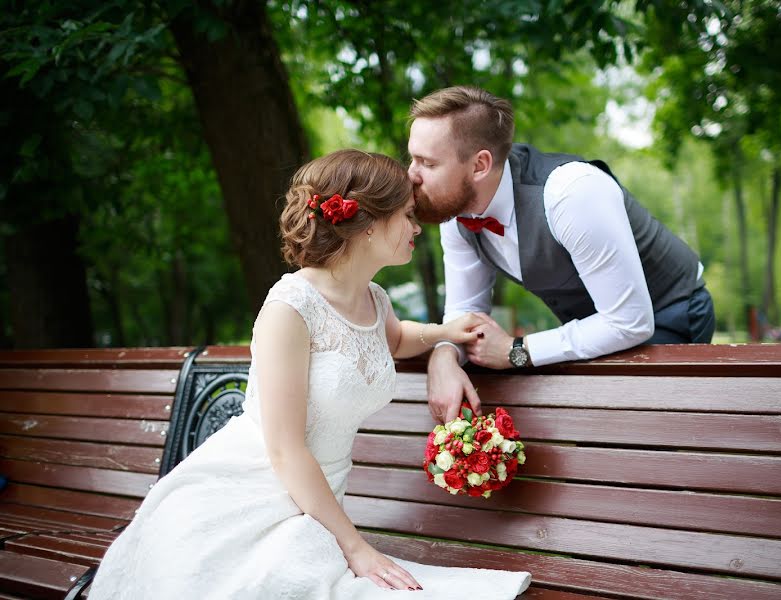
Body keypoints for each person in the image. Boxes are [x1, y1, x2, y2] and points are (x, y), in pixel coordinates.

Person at [89, 150, 531, 599]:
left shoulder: (373, 298)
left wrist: (445, 333)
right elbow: (284, 450)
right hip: (253, 490)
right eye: (407, 216)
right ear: (369, 223)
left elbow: (393, 339)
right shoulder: (289, 309)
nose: (417, 228)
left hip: (320, 497)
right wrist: (356, 547)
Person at [407, 86, 715, 424]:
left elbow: (630, 322)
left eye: (428, 162)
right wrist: (444, 355)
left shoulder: (570, 194)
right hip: (594, 333)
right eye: (412, 158)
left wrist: (517, 351)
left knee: (627, 436)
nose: (411, 174)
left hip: (668, 313)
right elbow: (465, 310)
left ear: (480, 164)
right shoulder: (457, 212)